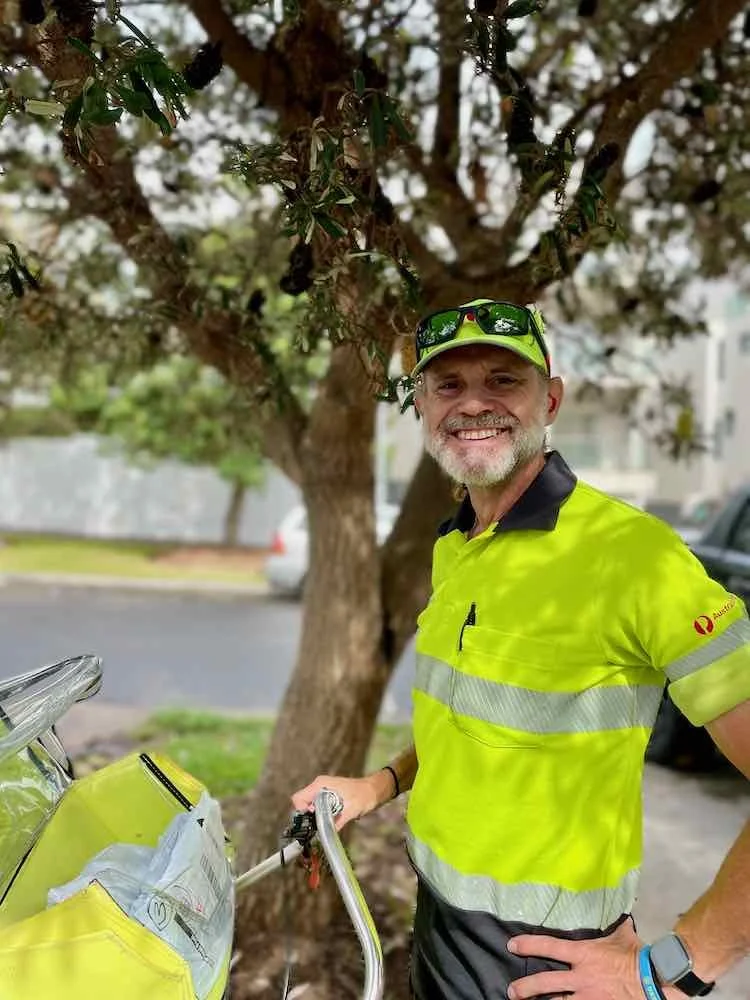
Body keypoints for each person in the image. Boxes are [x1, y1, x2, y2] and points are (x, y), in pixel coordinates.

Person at [292, 299, 750, 1000]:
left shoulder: (634, 556)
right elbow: (475, 717)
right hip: (439, 923)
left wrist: (678, 967)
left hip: (544, 964)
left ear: (551, 400)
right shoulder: (457, 543)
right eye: (448, 384)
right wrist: (378, 785)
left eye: (503, 380)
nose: (473, 403)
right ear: (423, 407)